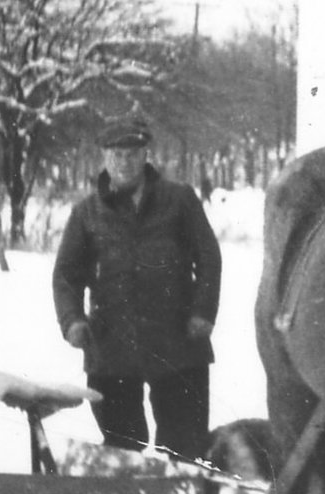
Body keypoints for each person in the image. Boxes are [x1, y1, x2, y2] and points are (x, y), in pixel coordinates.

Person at [53, 117, 223, 463]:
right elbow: (66, 275)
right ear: (104, 157)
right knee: (121, 447)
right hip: (113, 348)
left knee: (184, 445)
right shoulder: (87, 212)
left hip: (178, 345)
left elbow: (209, 259)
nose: (123, 162)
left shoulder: (180, 200)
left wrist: (203, 312)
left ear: (146, 154)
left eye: (131, 154)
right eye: (115, 154)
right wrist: (72, 320)